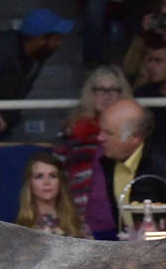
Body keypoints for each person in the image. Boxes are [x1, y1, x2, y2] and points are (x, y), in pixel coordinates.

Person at [0, 8, 74, 138]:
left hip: (2, 121)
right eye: (56, 39)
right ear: (41, 39)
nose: (59, 43)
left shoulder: (38, 55)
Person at [57, 65, 133, 239]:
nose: (107, 96)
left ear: (122, 94)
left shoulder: (134, 133)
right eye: (101, 89)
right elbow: (57, 173)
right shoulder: (73, 129)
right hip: (84, 223)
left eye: (114, 90)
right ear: (91, 94)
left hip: (126, 222)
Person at [15, 152, 88, 237]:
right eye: (39, 176)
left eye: (53, 176)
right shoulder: (20, 229)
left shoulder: (77, 222)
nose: (47, 182)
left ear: (60, 182)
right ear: (29, 183)